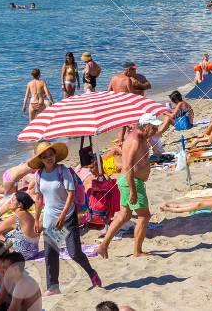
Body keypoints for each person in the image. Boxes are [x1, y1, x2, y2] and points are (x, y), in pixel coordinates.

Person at [28, 141, 100, 294]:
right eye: (45, 156)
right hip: (51, 219)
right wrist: (36, 219)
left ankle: (92, 273)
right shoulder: (39, 175)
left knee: (74, 252)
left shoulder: (63, 171)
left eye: (51, 155)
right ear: (40, 159)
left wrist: (63, 215)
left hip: (67, 217)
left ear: (55, 155)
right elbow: (39, 198)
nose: (49, 158)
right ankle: (53, 287)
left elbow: (71, 194)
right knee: (50, 253)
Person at [97, 114, 158, 259]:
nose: (155, 130)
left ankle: (103, 245)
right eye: (153, 127)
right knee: (144, 216)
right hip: (132, 182)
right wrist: (133, 191)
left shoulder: (140, 137)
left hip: (130, 181)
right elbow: (128, 166)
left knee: (124, 215)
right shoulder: (135, 140)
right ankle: (137, 251)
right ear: (146, 126)